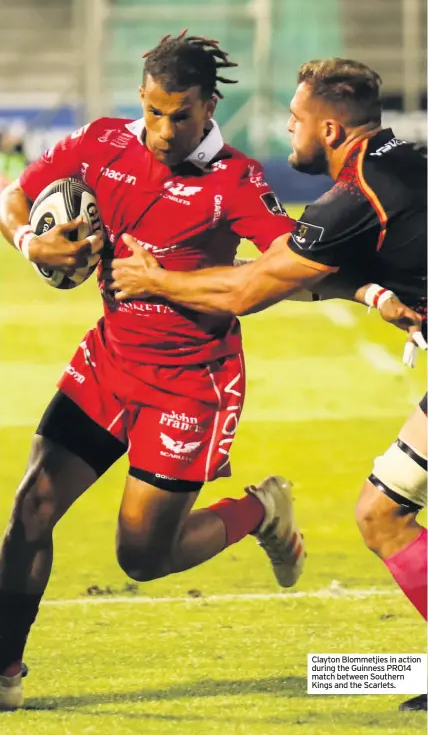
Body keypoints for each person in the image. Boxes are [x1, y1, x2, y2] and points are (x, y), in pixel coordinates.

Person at [0, 32, 310, 711]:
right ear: (140, 100)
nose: (164, 130)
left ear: (209, 106)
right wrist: (32, 242)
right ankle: (5, 675)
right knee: (32, 507)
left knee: (140, 558)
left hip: (190, 384)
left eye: (182, 115)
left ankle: (259, 509)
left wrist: (165, 282)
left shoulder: (236, 180)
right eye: (153, 112)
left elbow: (283, 270)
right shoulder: (103, 142)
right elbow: (11, 198)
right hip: (110, 360)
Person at [107, 58, 427, 713]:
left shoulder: (353, 197)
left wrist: (154, 280)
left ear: (330, 130)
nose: (287, 130)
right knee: (381, 511)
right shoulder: (405, 160)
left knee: (382, 514)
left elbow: (253, 290)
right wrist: (375, 289)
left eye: (295, 119)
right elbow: (299, 270)